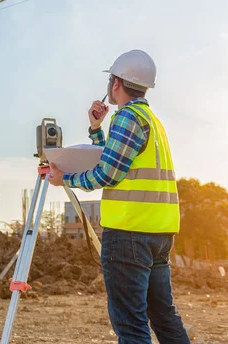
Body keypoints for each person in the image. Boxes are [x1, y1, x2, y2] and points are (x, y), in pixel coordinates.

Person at [48, 50, 190, 343]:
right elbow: (117, 158)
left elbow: (107, 173)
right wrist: (96, 128)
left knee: (130, 323)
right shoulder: (150, 119)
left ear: (116, 83)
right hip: (158, 233)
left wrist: (65, 179)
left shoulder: (127, 117)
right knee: (164, 317)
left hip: (129, 233)